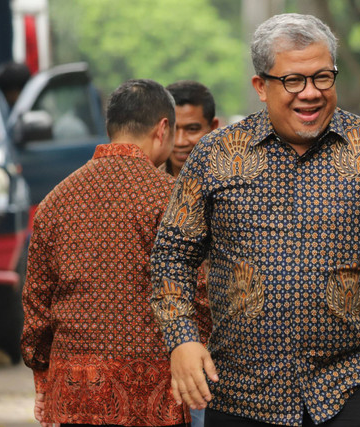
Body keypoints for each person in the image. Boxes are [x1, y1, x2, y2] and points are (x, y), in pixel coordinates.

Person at [150, 13, 360, 427]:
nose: (310, 93)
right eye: (294, 80)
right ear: (261, 86)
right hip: (242, 390)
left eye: (322, 78)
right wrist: (182, 341)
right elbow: (172, 256)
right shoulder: (215, 157)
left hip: (355, 381)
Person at [21, 79, 189, 426]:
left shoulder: (55, 200)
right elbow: (195, 291)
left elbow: (37, 304)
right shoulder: (171, 197)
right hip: (153, 396)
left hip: (73, 394)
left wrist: (42, 377)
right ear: (163, 129)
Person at [164, 80, 220, 427]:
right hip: (164, 352)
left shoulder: (233, 187)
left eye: (193, 129)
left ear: (213, 128)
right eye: (175, 129)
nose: (183, 141)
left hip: (224, 352)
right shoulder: (150, 192)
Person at [164, 80, 220, 177]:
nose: (180, 142)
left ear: (213, 127)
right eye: (172, 128)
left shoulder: (231, 182)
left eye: (192, 129)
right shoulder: (144, 179)